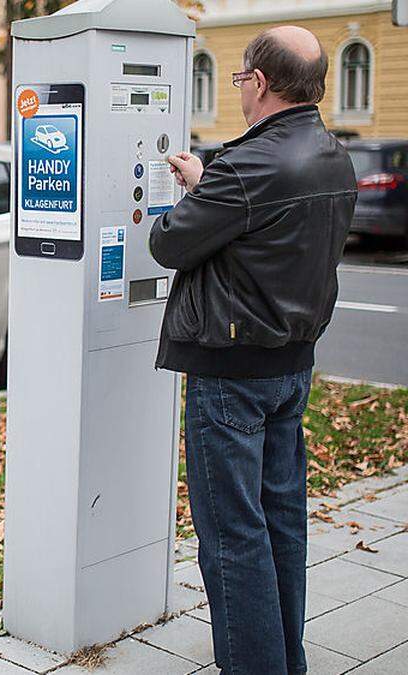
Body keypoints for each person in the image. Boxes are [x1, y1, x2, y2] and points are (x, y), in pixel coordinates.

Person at [150, 26, 357, 675]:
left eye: (239, 79)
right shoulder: (332, 153)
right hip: (291, 369)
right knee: (281, 523)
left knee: (233, 539)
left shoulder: (247, 167)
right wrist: (213, 182)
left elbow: (169, 243)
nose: (239, 88)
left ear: (259, 82)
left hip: (231, 374)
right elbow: (267, 221)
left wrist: (202, 188)